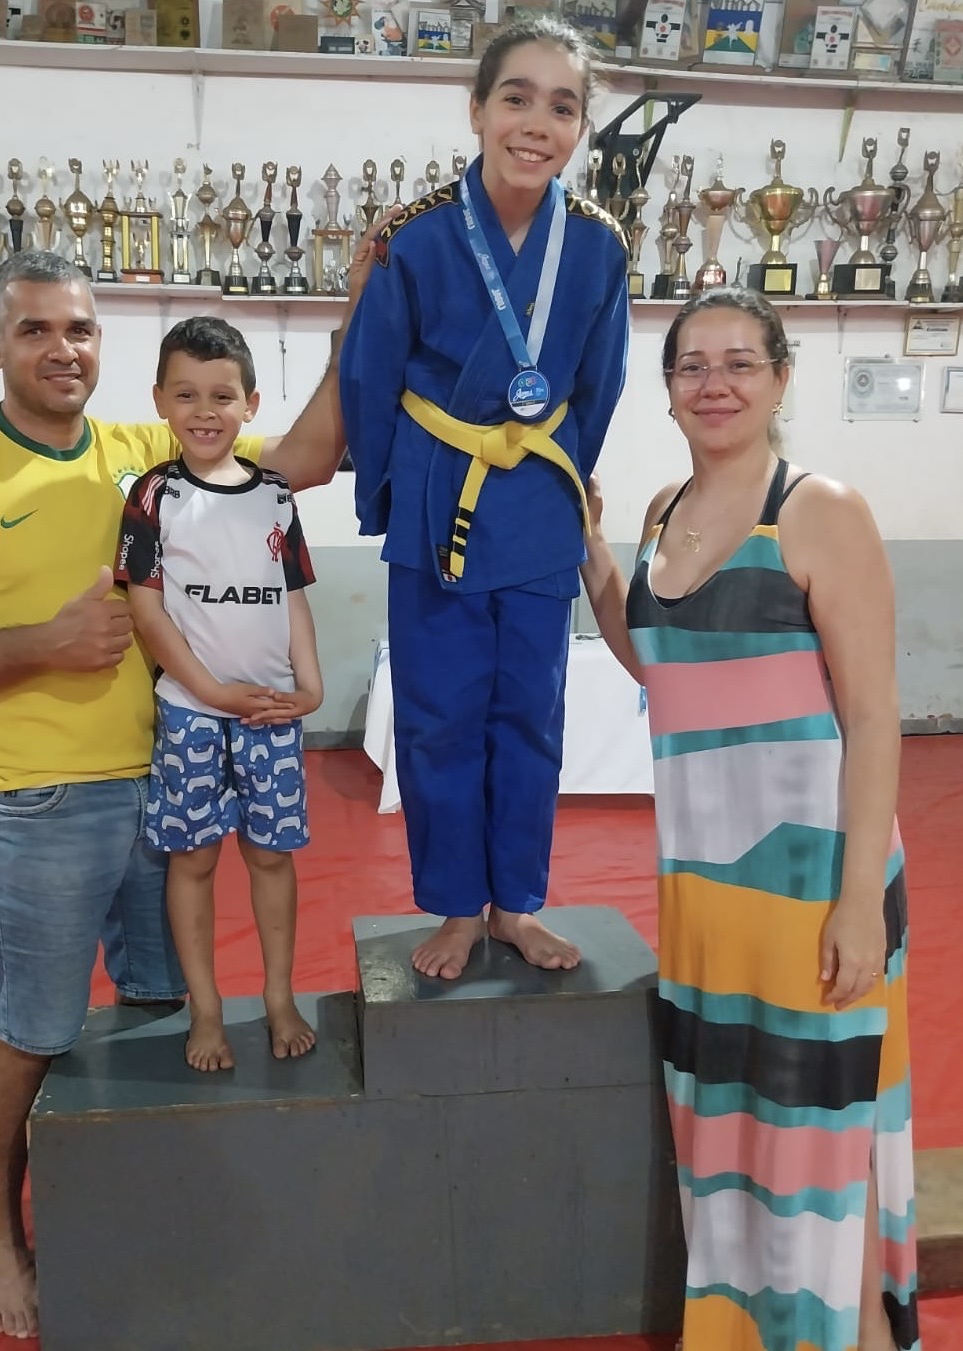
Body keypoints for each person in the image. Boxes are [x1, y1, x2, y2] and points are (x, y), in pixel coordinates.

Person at [0, 247, 369, 1341]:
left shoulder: (144, 453)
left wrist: (355, 311)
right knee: (33, 1030)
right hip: (38, 802)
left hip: (165, 775)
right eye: (37, 330)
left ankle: (140, 1203)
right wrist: (41, 643)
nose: (63, 349)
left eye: (80, 329)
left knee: (158, 1004)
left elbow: (304, 458)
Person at [579, 286, 918, 1351]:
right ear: (669, 388)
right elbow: (662, 666)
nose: (714, 383)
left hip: (814, 879)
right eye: (693, 365)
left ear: (780, 379)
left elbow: (874, 716)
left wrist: (857, 902)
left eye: (739, 363)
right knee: (735, 1132)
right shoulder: (661, 512)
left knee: (823, 1138)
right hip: (706, 889)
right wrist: (594, 553)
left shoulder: (819, 509)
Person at [339, 16, 630, 981]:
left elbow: (600, 384)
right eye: (517, 98)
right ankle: (459, 907)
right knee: (438, 717)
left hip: (537, 502)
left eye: (563, 106)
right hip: (438, 502)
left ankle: (518, 904)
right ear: (476, 110)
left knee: (530, 717)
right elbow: (371, 377)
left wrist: (563, 476)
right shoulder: (414, 237)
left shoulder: (597, 248)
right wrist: (387, 498)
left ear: (580, 127)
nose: (537, 123)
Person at [115, 317, 322, 1072]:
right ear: (160, 402)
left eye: (222, 396)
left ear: (250, 405)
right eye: (187, 395)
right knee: (194, 859)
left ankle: (277, 995)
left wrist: (311, 683)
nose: (205, 411)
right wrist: (208, 689)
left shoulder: (274, 495)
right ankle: (206, 1008)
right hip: (193, 713)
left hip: (269, 711)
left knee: (270, 856)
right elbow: (147, 610)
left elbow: (291, 595)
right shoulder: (152, 494)